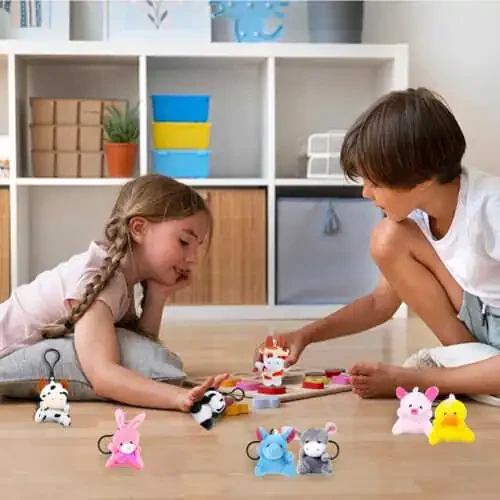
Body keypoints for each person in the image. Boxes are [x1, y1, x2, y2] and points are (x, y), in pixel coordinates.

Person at [254, 87, 500, 399]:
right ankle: (472, 370)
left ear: (422, 180)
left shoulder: (491, 208)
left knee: (389, 235)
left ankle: (446, 379)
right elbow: (379, 303)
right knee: (388, 237)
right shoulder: (419, 210)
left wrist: (410, 380)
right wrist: (304, 335)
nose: (366, 193)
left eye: (375, 183)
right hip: (480, 318)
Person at [0, 174, 229, 411]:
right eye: (184, 242)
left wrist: (158, 294)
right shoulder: (101, 280)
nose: (193, 259)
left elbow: (139, 347)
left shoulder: (120, 278)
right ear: (138, 229)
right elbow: (103, 376)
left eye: (198, 247)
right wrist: (178, 397)